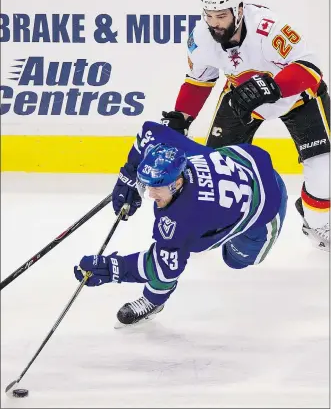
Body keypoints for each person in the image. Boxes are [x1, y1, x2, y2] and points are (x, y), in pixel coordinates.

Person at [160, 0, 330, 251]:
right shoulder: (202, 37)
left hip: (299, 99)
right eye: (210, 15)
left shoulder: (269, 28)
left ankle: (317, 222)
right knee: (213, 170)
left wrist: (274, 85)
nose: (215, 23)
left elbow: (310, 69)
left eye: (221, 15)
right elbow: (199, 80)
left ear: (238, 10)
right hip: (242, 99)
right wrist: (182, 116)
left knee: (325, 175)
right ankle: (206, 224)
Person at [74, 121, 287, 327]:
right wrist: (129, 177)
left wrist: (112, 269)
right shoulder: (182, 154)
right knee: (191, 239)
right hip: (247, 162)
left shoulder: (182, 219)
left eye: (157, 187)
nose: (149, 192)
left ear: (177, 182)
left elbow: (164, 269)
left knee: (236, 260)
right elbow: (150, 132)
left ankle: (154, 303)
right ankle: (215, 225)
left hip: (266, 206)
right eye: (147, 184)